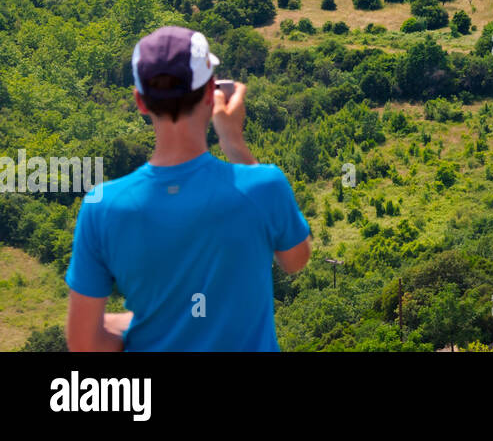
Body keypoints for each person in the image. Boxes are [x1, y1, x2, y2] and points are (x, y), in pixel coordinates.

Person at [65, 26, 311, 351]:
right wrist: (233, 141)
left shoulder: (101, 207)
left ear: (140, 101)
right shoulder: (263, 186)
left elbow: (84, 342)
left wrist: (148, 323)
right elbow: (296, 259)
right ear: (211, 93)